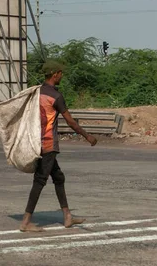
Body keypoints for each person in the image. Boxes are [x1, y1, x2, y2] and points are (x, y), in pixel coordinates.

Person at [20, 60, 98, 232]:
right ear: (55, 74)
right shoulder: (56, 97)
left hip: (35, 142)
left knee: (59, 177)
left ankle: (67, 216)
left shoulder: (36, 92)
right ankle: (26, 222)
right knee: (40, 181)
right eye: (61, 73)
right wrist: (87, 136)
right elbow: (70, 121)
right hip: (48, 144)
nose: (62, 76)